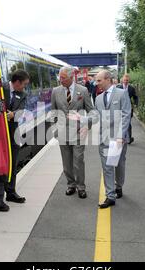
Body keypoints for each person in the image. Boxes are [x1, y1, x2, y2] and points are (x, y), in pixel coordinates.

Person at [49, 66, 94, 199]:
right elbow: (53, 113)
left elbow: (91, 111)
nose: (60, 80)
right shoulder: (55, 91)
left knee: (78, 160)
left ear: (71, 77)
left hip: (79, 132)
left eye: (63, 78)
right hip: (62, 133)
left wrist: (87, 126)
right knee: (66, 161)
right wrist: (55, 129)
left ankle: (81, 187)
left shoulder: (83, 90)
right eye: (59, 77)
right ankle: (71, 184)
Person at [0, 69, 30, 212]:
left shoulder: (23, 94)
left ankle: (11, 193)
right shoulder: (0, 88)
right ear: (17, 82)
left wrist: (13, 114)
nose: (25, 87)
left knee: (12, 164)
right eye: (24, 84)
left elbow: (22, 112)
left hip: (13, 134)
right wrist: (3, 114)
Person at [94, 70, 131, 208]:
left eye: (99, 80)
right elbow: (95, 116)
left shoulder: (122, 93)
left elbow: (126, 115)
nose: (96, 83)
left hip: (118, 138)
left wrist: (121, 136)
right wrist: (83, 121)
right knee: (107, 167)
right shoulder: (98, 99)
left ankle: (119, 186)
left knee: (119, 164)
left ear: (107, 79)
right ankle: (110, 196)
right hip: (104, 138)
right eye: (96, 81)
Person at [117, 74, 139, 144]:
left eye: (127, 80)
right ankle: (121, 136)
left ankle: (129, 138)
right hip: (120, 108)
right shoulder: (118, 87)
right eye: (124, 80)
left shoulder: (131, 88)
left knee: (128, 123)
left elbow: (135, 97)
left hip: (128, 108)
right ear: (122, 80)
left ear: (128, 81)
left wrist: (136, 104)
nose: (126, 81)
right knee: (120, 122)